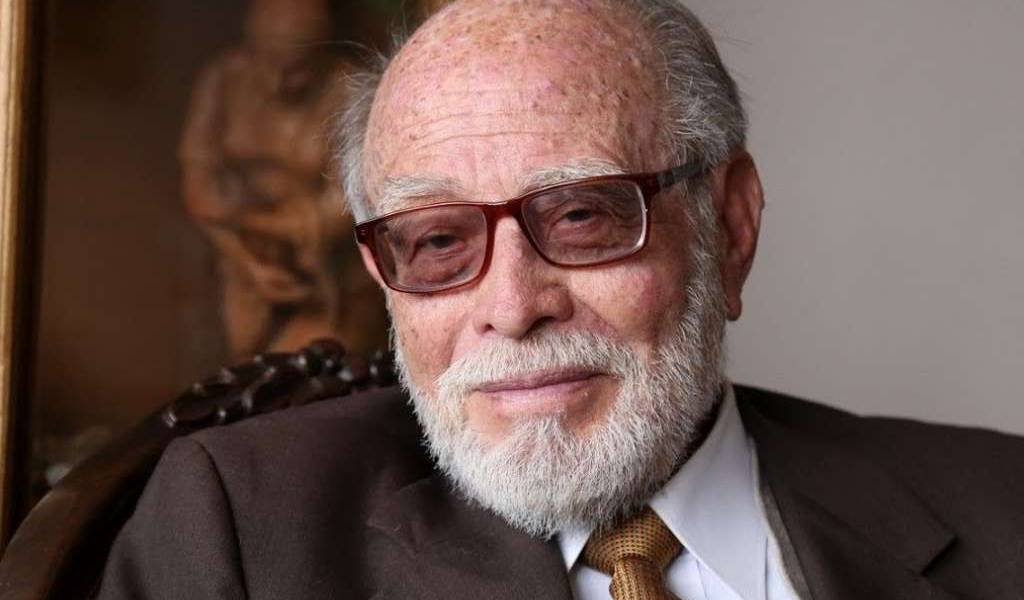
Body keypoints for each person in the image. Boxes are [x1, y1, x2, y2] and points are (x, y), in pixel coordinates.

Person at [98, 1, 1024, 599]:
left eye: (581, 215)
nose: (512, 306)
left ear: (731, 227)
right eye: (438, 240)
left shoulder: (1004, 509)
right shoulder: (240, 535)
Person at [181, 0, 387, 360]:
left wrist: (277, 228)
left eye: (296, 71)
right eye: (268, 65)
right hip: (239, 256)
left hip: (326, 272)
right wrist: (244, 254)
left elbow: (350, 199)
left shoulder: (348, 89)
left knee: (305, 365)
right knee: (235, 357)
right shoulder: (224, 79)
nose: (277, 84)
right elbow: (199, 175)